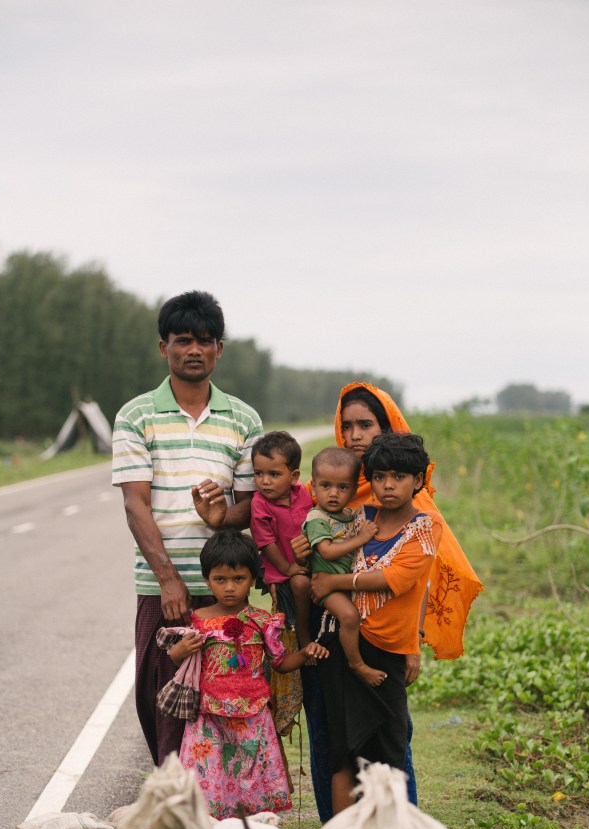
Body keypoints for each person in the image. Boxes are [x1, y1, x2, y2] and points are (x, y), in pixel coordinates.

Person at [295, 381, 483, 819]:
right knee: (336, 741)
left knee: (391, 741)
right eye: (348, 426)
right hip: (336, 639)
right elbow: (309, 540)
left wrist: (415, 639)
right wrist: (303, 551)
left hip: (389, 640)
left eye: (367, 424)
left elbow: (419, 581)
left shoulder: (416, 515)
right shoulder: (334, 490)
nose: (356, 435)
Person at [112, 290, 263, 767]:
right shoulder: (135, 416)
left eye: (204, 340)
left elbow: (250, 508)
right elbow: (136, 505)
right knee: (161, 699)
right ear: (164, 347)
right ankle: (175, 803)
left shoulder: (244, 419)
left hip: (227, 587)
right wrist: (168, 579)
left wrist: (222, 516)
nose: (193, 350)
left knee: (224, 702)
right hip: (163, 586)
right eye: (182, 340)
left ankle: (219, 812)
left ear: (219, 348)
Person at [310, 433, 443, 814]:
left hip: (387, 653)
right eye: (381, 476)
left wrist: (334, 583)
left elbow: (396, 580)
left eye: (399, 476)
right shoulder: (360, 517)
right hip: (343, 644)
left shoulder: (425, 527)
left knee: (388, 751)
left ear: (418, 480)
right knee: (343, 751)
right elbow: (322, 552)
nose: (388, 485)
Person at [164, 530, 329, 819]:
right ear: (207, 580)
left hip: (253, 716)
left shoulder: (264, 622)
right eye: (220, 580)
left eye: (238, 579)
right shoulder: (197, 621)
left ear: (253, 579)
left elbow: (280, 662)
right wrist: (181, 651)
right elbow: (176, 660)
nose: (229, 588)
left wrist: (304, 654)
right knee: (210, 780)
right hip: (209, 717)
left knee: (251, 780)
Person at [303, 447, 385, 687]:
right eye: (325, 485)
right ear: (314, 485)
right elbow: (327, 552)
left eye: (342, 487)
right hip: (326, 583)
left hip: (345, 581)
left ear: (353, 489)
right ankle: (356, 664)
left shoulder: (349, 515)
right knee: (350, 617)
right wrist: (361, 538)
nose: (333, 494)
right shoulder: (317, 517)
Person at [249, 431, 313, 650]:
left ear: (293, 476)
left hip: (309, 564)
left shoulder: (303, 493)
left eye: (274, 474)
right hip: (283, 572)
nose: (265, 481)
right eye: (258, 473)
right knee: (298, 590)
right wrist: (289, 568)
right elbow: (267, 544)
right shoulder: (260, 504)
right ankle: (303, 638)